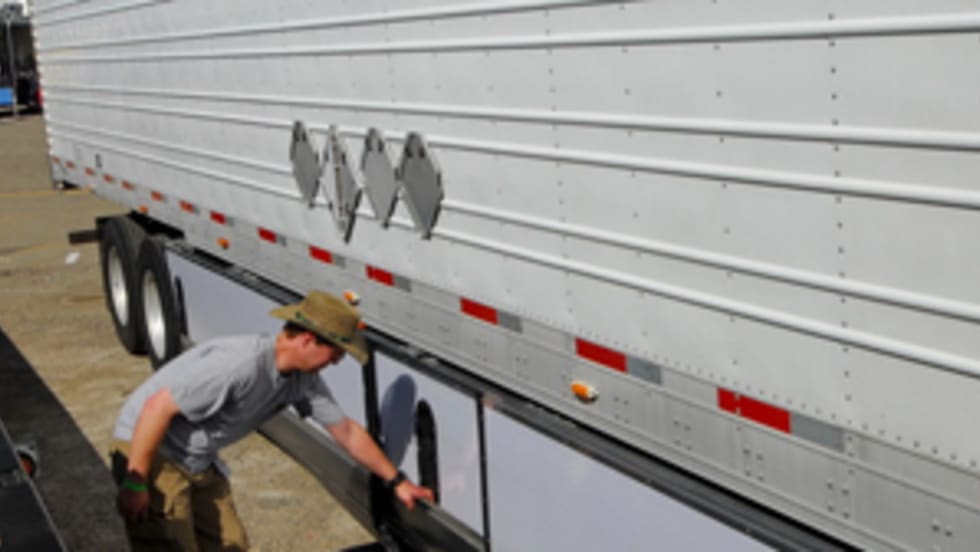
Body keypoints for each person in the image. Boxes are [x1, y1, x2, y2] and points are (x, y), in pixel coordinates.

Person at [110, 290, 433, 551]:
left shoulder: (303, 380)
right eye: (335, 355)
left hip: (197, 458)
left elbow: (346, 431)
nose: (335, 364)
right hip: (152, 448)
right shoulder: (239, 366)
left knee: (230, 543)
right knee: (170, 542)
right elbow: (156, 409)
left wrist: (398, 482)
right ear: (308, 340)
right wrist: (136, 482)